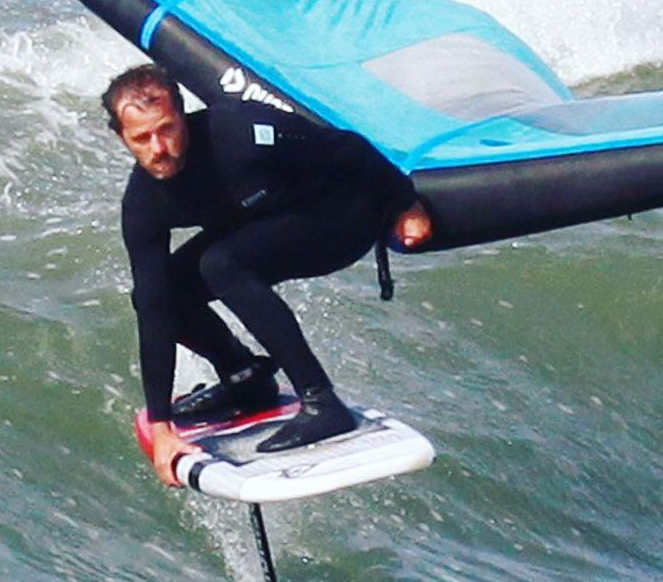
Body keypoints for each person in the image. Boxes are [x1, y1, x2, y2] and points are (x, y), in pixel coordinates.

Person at [103, 64, 432, 487]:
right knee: (162, 290)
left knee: (221, 263)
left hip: (343, 216)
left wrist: (407, 205)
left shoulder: (243, 133)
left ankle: (321, 403)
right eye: (141, 138)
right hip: (264, 226)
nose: (159, 148)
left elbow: (348, 148)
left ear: (183, 116)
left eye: (166, 129)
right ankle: (245, 378)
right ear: (121, 138)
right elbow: (153, 307)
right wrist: (164, 430)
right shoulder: (144, 203)